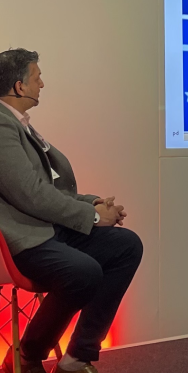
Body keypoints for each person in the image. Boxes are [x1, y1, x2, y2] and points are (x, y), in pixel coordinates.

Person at [0, 48, 143, 373]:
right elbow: (30, 194)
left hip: (49, 228)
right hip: (23, 239)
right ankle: (26, 355)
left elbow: (50, 188)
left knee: (126, 246)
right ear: (19, 86)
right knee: (83, 271)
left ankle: (77, 356)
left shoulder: (19, 124)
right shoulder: (1, 126)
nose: (42, 84)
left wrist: (92, 203)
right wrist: (94, 217)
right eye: (37, 77)